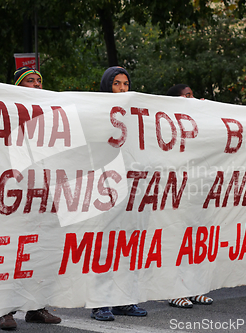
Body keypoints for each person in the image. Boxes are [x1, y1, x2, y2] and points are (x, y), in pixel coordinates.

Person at [0, 66, 62, 330]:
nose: (36, 85)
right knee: (14, 252)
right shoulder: (6, 111)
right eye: (30, 81)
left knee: (42, 250)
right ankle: (4, 311)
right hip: (15, 191)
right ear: (17, 86)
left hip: (42, 191)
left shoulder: (49, 112)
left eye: (39, 81)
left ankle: (37, 307)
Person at [89, 66, 147, 321]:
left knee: (128, 243)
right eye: (117, 83)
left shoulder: (135, 115)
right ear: (106, 85)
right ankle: (100, 303)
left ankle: (124, 300)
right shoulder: (94, 110)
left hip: (128, 187)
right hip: (102, 186)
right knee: (102, 245)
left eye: (126, 83)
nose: (122, 88)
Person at [164, 84, 214, 308]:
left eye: (193, 94)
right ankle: (174, 290)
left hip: (196, 188)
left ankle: (195, 288)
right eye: (187, 95)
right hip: (176, 189)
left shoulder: (199, 122)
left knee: (196, 238)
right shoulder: (165, 124)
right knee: (177, 239)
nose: (192, 98)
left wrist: (205, 115)